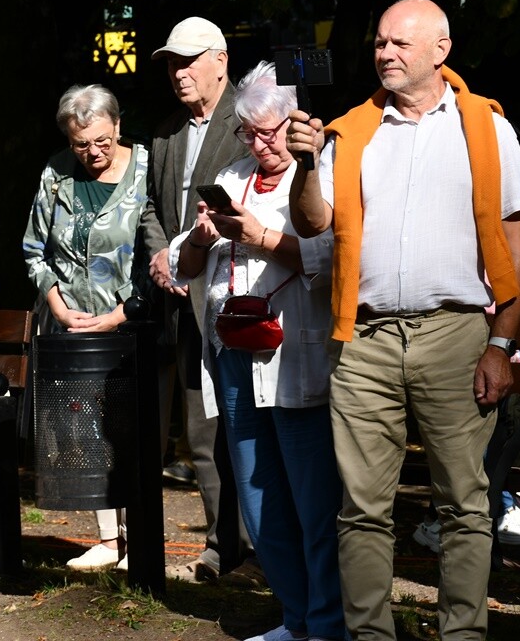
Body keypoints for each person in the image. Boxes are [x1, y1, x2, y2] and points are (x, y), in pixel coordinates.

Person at [286, 0, 520, 641]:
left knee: (464, 504)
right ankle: (370, 636)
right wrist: (306, 163)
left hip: (456, 334)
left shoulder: (486, 127)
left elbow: (514, 244)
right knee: (362, 508)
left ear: (439, 51)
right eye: (379, 43)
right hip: (362, 338)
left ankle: (462, 635)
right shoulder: (349, 131)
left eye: (399, 43)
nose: (384, 54)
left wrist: (503, 342)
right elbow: (313, 222)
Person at [170, 62, 344, 641]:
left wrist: (259, 237)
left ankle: (326, 623)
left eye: (271, 131)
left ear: (293, 126)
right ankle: (295, 619)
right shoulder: (234, 175)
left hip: (295, 354)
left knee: (312, 501)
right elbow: (182, 265)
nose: (261, 143)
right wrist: (200, 236)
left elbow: (330, 260)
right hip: (234, 356)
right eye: (249, 132)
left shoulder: (319, 178)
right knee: (257, 496)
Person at [140, 17, 261, 586]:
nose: (178, 72)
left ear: (221, 60)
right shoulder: (165, 134)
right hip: (179, 302)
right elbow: (148, 209)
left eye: (188, 61)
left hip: (242, 299)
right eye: (170, 62)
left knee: (246, 426)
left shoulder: (252, 121)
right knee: (201, 430)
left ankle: (258, 543)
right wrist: (163, 254)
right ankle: (224, 544)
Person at [23, 84, 150, 570]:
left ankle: (137, 535)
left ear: (117, 126)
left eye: (101, 140)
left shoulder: (145, 169)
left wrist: (123, 313)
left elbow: (156, 248)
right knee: (81, 429)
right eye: (82, 144)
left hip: (127, 324)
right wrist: (55, 305)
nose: (93, 153)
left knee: (127, 431)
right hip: (70, 325)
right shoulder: (56, 172)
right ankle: (107, 538)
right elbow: (35, 249)